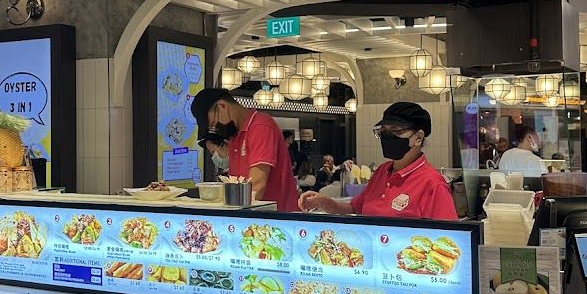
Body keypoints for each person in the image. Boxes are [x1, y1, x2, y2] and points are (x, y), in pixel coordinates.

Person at [299, 101, 457, 220]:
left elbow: (447, 239)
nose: (387, 137)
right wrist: (324, 202)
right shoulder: (382, 171)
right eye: (383, 132)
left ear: (418, 137)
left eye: (395, 131)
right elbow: (355, 208)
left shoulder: (433, 184)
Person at [190, 88, 299, 211]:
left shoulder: (261, 126)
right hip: (252, 219)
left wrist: (233, 216)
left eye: (214, 123)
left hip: (276, 220)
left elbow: (257, 185)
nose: (216, 129)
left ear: (222, 106)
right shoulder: (235, 136)